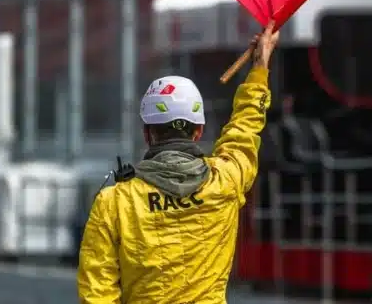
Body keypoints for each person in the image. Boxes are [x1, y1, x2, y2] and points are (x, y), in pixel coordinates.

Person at [78, 21, 280, 303]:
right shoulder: (225, 181)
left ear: (147, 133)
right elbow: (244, 131)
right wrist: (260, 68)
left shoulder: (114, 203)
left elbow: (96, 295)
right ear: (198, 131)